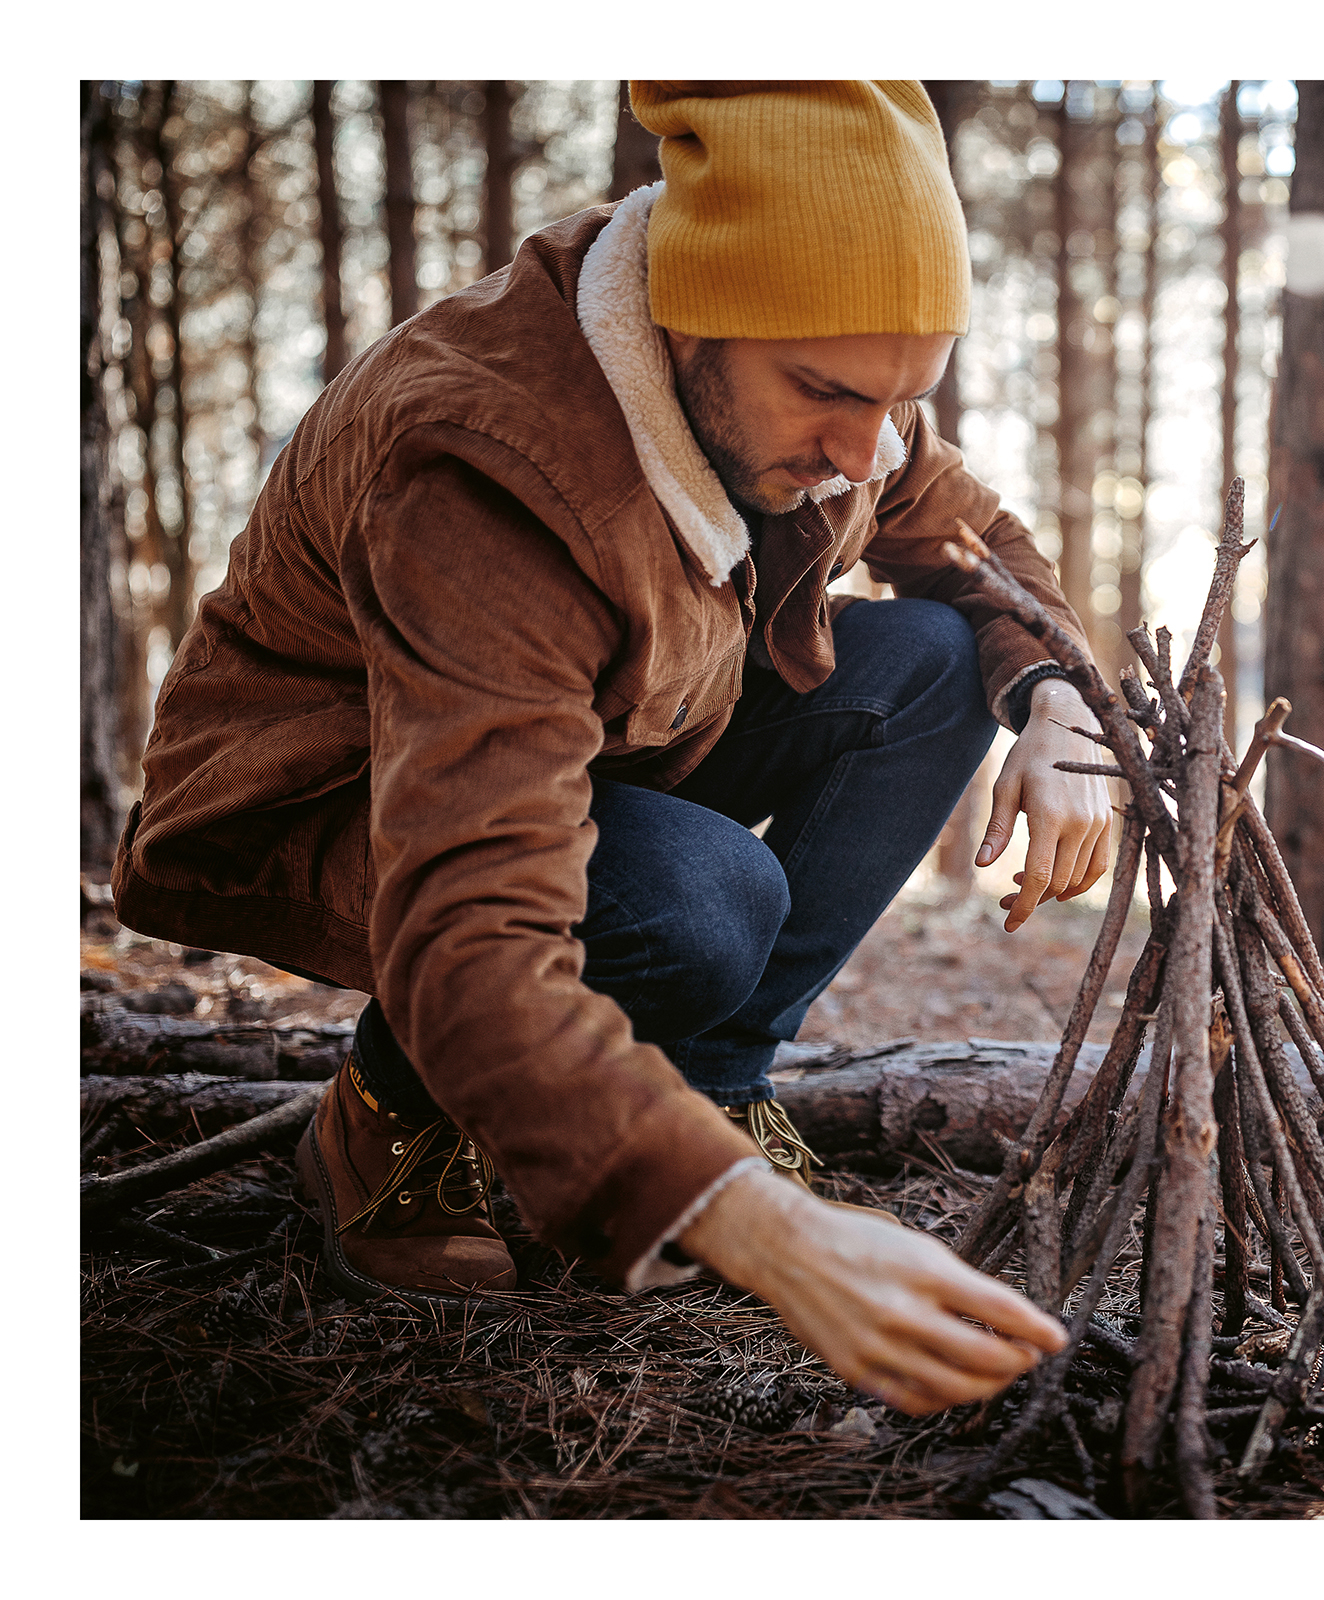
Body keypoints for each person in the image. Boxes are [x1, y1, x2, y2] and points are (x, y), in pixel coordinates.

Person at [113, 81, 1113, 1418]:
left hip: (614, 728)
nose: (861, 451)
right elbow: (471, 917)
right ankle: (387, 1113)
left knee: (934, 664)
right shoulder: (486, 465)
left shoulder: (831, 391)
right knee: (706, 901)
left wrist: (1061, 702)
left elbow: (970, 540)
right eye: (825, 392)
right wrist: (736, 1222)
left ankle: (710, 1085)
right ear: (692, 317)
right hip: (352, 792)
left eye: (904, 396)